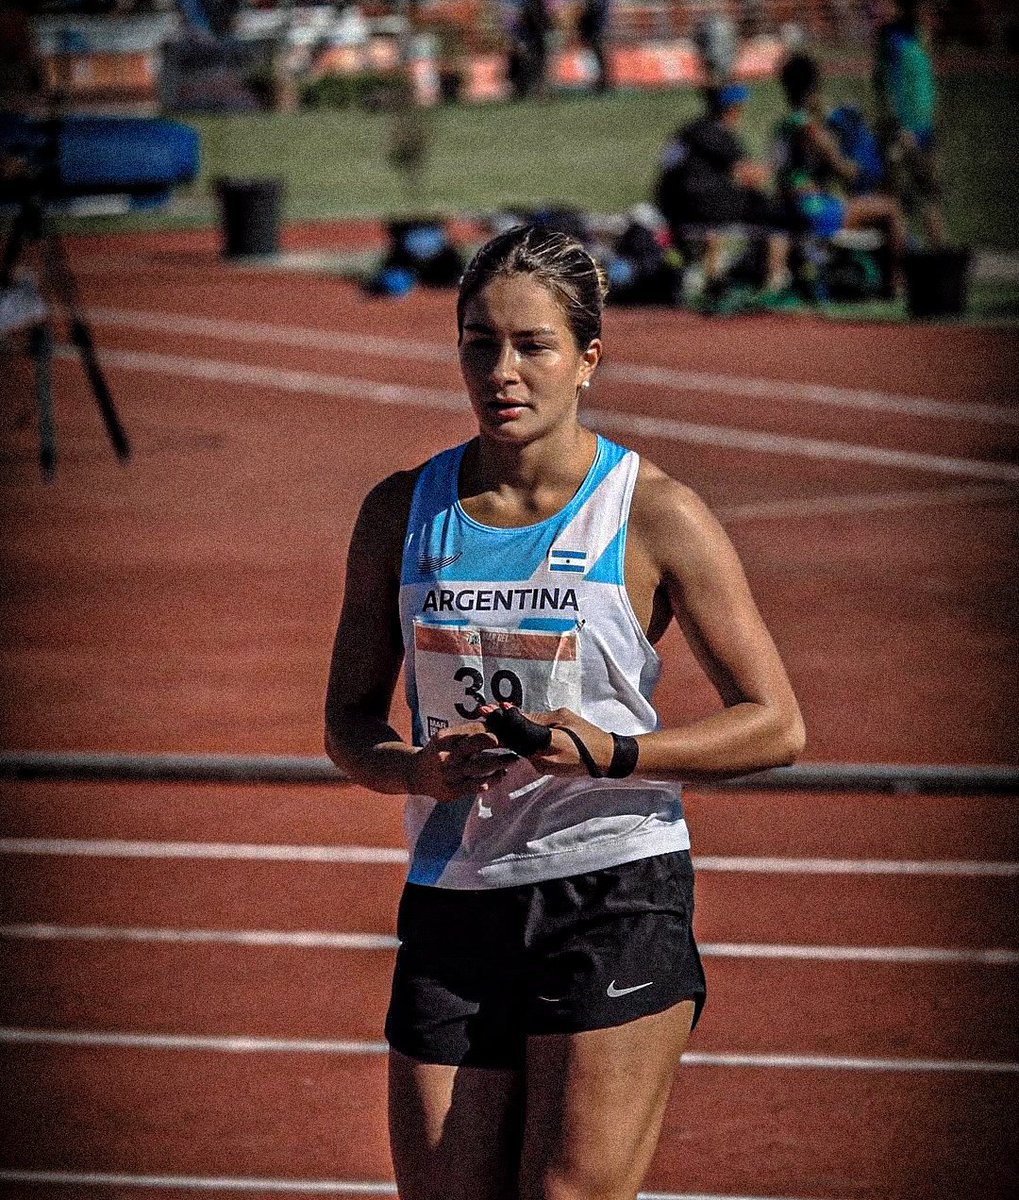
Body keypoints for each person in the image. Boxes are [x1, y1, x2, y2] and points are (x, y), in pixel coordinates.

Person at [324, 224, 805, 1200]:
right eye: (478, 344)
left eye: (531, 345)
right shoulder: (400, 513)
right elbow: (348, 722)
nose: (501, 372)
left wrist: (612, 753)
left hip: (611, 889)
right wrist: (412, 768)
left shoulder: (652, 512)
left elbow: (774, 723)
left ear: (587, 358)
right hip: (455, 892)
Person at [773, 52, 909, 296]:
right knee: (891, 209)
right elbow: (846, 172)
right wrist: (879, 157)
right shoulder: (812, 129)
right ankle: (896, 284)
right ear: (814, 89)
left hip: (787, 207)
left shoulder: (783, 126)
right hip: (814, 210)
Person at [656, 83, 794, 299]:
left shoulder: (689, 130)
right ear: (732, 108)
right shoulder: (718, 133)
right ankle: (775, 278)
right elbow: (751, 176)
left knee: (730, 201)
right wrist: (778, 163)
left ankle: (715, 274)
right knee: (772, 210)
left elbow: (666, 168)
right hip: (700, 206)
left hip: (673, 205)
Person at [873, 0, 947, 247]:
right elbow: (883, 85)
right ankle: (908, 256)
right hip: (907, 130)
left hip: (918, 131)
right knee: (900, 198)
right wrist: (895, 125)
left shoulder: (909, 39)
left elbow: (921, 87)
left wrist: (916, 127)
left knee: (924, 196)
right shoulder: (896, 39)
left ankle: (933, 255)